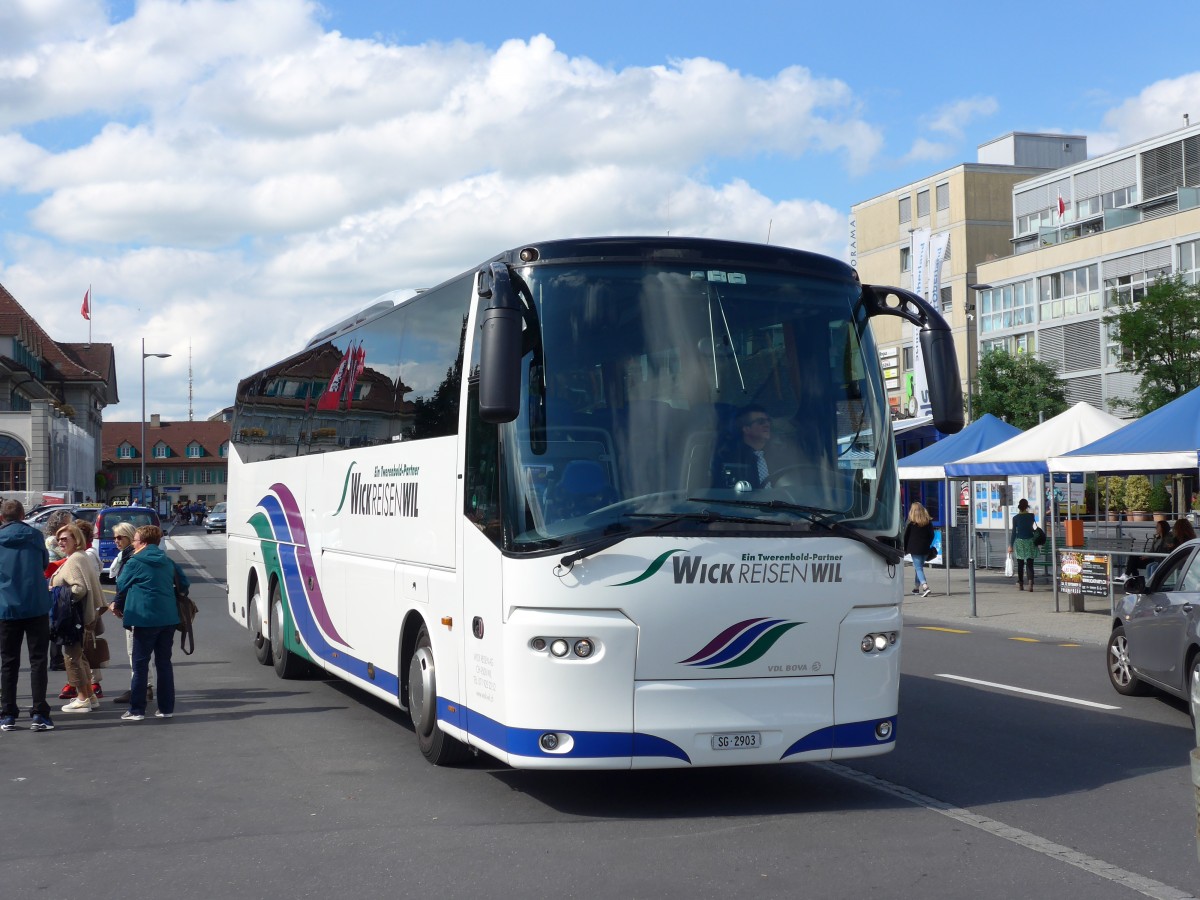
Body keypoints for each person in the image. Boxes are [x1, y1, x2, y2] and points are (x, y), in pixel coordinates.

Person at [113, 525, 185, 721]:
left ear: (143, 542)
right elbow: (184, 584)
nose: (133, 544)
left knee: (140, 664)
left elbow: (121, 584)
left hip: (144, 619)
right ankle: (166, 708)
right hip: (168, 618)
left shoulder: (135, 561)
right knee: (164, 663)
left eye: (135, 540)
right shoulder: (167, 561)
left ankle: (137, 710)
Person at [0, 499, 54, 732]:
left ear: (3, 517)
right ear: (23, 515)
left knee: (9, 662)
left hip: (6, 606)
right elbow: (44, 563)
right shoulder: (35, 536)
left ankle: (8, 713)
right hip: (35, 604)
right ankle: (39, 712)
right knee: (38, 661)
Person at [49, 523, 105, 713]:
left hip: (74, 618)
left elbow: (78, 589)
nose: (61, 542)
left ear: (77, 539)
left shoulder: (74, 560)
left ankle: (82, 699)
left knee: (72, 658)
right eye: (59, 539)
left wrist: (55, 591)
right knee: (79, 657)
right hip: (83, 616)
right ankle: (89, 695)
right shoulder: (80, 557)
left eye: (65, 538)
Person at [107, 522, 146, 706]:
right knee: (140, 650)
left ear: (130, 537)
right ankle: (146, 686)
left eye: (119, 537)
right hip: (137, 607)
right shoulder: (128, 555)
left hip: (133, 608)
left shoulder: (130, 557)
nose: (116, 541)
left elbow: (123, 584)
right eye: (114, 537)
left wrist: (117, 603)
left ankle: (140, 688)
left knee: (134, 650)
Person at [712, 405, 790, 488]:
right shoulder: (731, 460)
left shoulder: (780, 456)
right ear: (746, 429)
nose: (767, 424)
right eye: (761, 422)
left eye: (768, 421)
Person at [902, 501, 935, 597]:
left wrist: (904, 547)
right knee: (918, 568)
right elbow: (932, 535)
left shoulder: (910, 522)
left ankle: (925, 587)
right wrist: (927, 543)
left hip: (914, 548)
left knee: (918, 568)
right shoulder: (928, 522)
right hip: (925, 548)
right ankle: (916, 588)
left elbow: (905, 536)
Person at [1009, 498, 1038, 592]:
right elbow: (1033, 528)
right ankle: (1030, 582)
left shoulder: (1015, 518)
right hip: (1030, 541)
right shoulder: (1031, 516)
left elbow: (1014, 532)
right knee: (1030, 563)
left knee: (1020, 563)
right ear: (1027, 506)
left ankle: (1021, 583)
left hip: (1020, 542)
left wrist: (1011, 545)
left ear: (1019, 507)